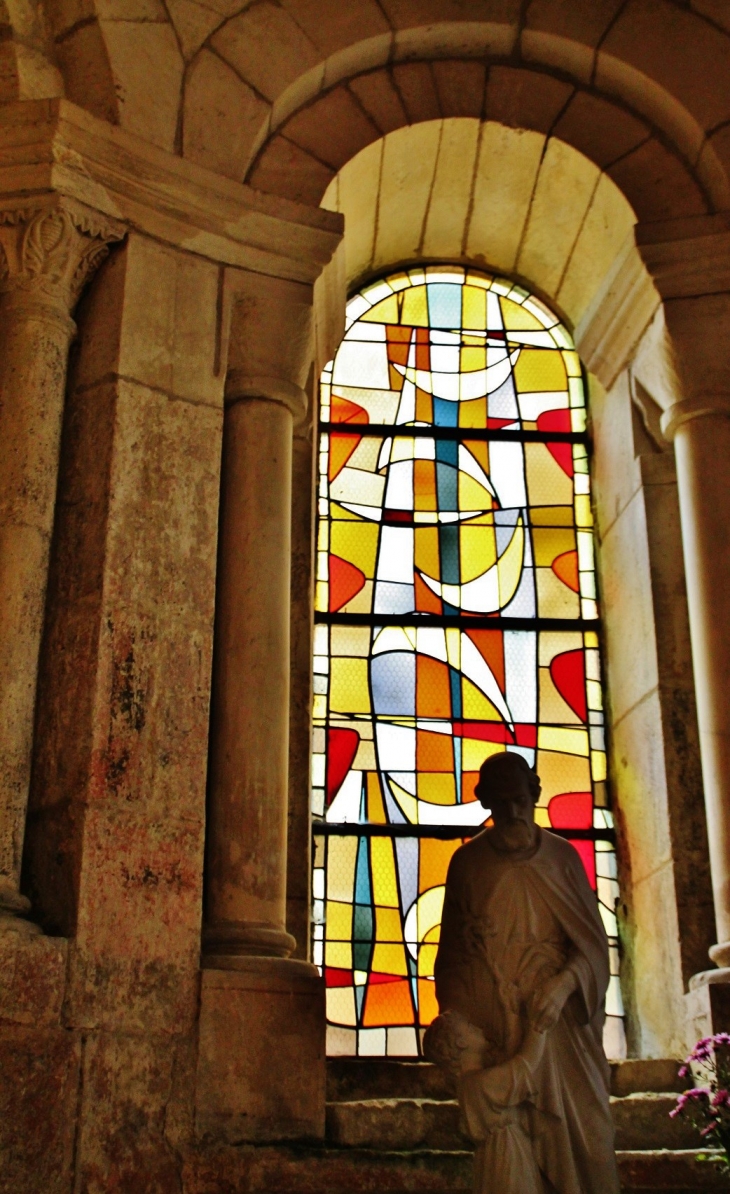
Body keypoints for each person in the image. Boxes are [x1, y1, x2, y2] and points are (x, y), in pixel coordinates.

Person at [433, 751, 620, 1194]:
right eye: (501, 803)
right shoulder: (468, 865)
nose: (513, 812)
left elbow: (592, 945)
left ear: (535, 793)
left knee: (591, 1142)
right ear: (484, 802)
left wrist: (564, 985)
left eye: (520, 800)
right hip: (500, 1027)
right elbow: (455, 957)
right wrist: (465, 1036)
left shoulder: (561, 858)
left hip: (564, 1023)